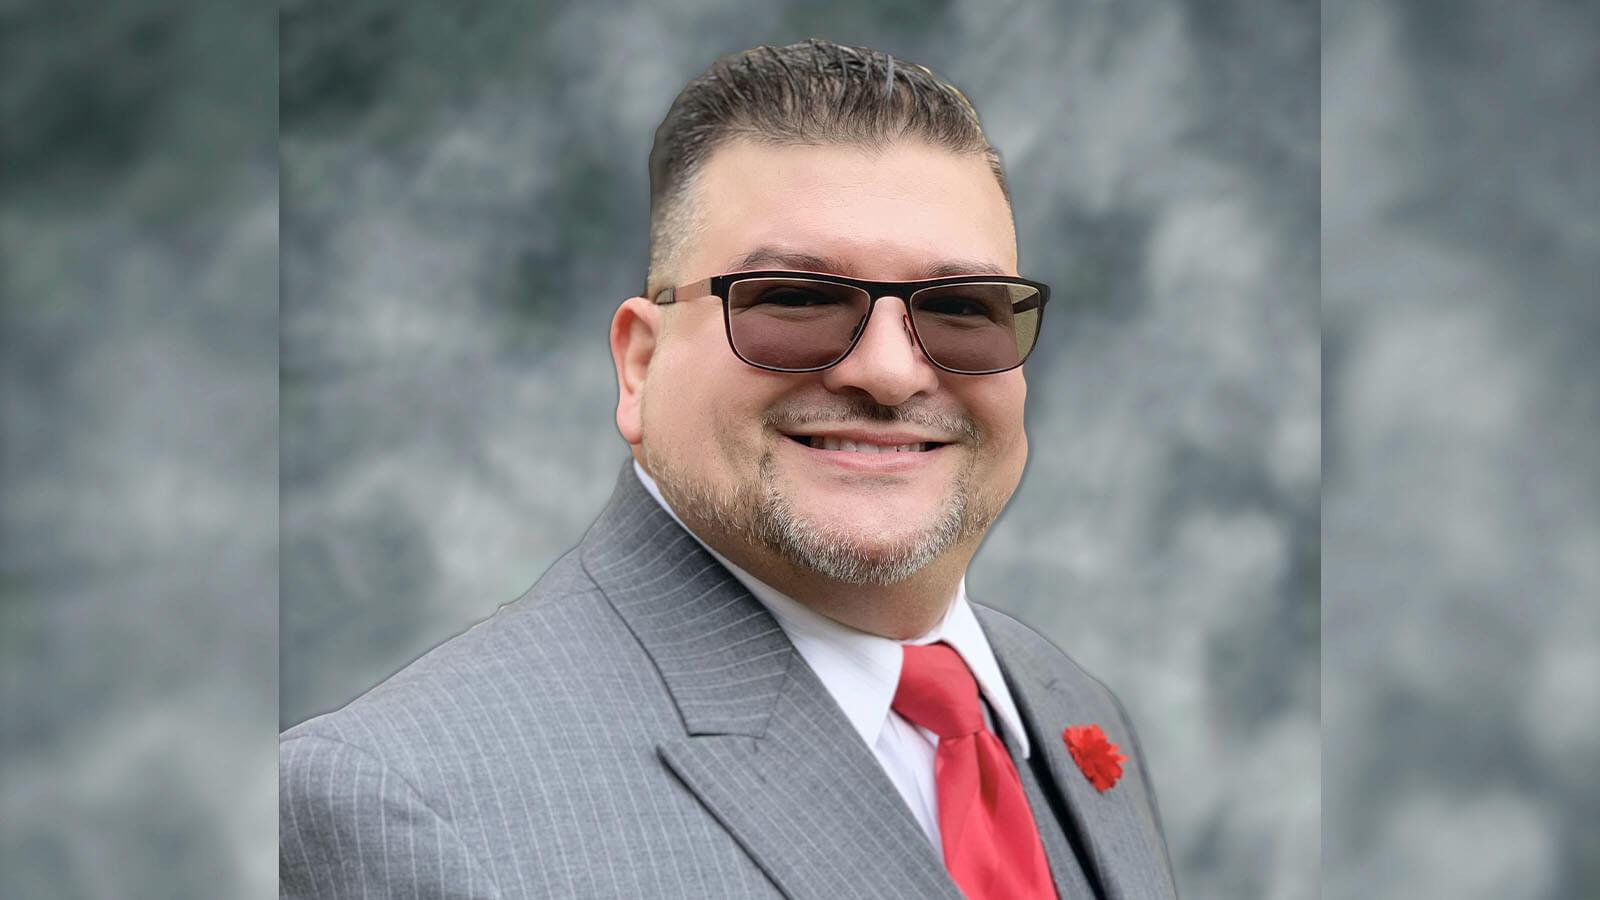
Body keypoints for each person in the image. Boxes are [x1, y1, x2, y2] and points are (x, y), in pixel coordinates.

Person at [280, 39, 1178, 899]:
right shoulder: (404, 802)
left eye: (960, 306)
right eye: (794, 298)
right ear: (640, 362)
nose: (891, 370)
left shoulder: (1064, 705)